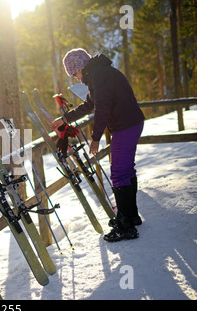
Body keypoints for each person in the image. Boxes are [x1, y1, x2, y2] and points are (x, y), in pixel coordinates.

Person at [51, 48, 145, 242]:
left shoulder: (98, 75)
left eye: (74, 73)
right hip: (130, 123)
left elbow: (102, 108)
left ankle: (126, 225)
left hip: (125, 126)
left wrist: (95, 138)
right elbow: (89, 105)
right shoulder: (99, 73)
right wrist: (65, 119)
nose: (75, 78)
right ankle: (130, 216)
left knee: (119, 173)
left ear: (80, 67)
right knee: (126, 170)